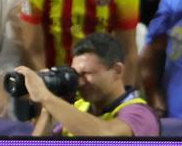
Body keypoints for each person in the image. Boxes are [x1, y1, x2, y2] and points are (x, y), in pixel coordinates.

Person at [19, 31, 160, 137]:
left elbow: (105, 133)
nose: (79, 82)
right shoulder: (79, 107)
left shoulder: (140, 113)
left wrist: (45, 97)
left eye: (87, 73)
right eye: (76, 74)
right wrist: (48, 109)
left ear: (117, 71)